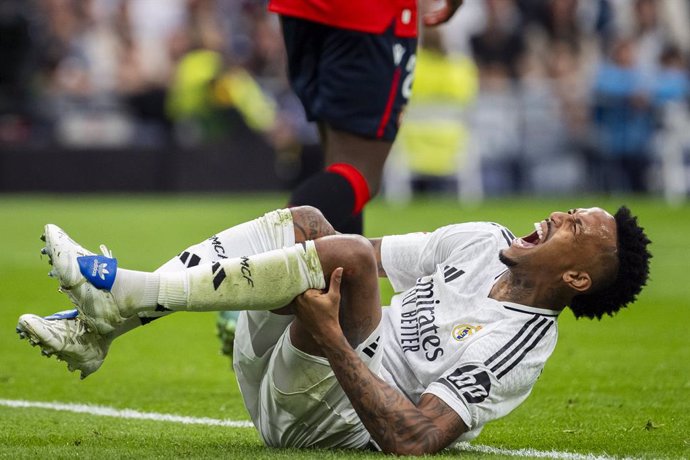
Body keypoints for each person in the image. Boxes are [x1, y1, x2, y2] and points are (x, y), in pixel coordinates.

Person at [17, 204, 651, 454]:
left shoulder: (518, 346)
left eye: (573, 229)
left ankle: (122, 295)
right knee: (308, 224)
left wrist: (332, 341)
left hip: (326, 414)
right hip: (295, 363)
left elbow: (413, 440)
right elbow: (341, 248)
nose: (556, 216)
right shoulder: (484, 241)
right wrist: (306, 273)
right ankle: (101, 327)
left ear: (576, 281)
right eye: (569, 211)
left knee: (343, 258)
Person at [268, 0, 465, 235]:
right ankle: (244, 253)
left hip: (298, 9)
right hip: (369, 15)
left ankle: (350, 269)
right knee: (361, 172)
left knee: (339, 163)